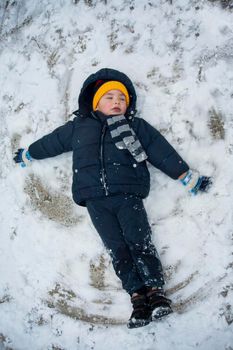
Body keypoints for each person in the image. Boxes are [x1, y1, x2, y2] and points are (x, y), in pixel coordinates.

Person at [13, 68, 212, 329]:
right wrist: (30, 153)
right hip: (95, 200)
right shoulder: (78, 128)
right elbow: (53, 142)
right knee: (117, 249)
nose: (117, 101)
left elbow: (160, 150)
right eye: (110, 97)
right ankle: (137, 299)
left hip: (128, 194)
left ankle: (156, 293)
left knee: (140, 242)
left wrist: (186, 175)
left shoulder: (135, 127)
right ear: (96, 103)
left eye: (121, 98)